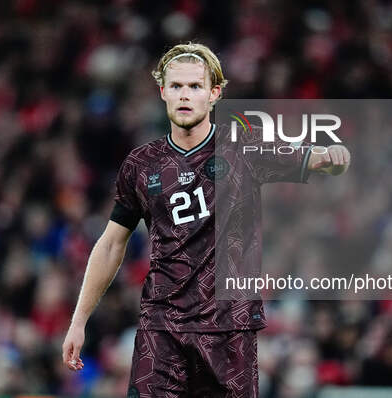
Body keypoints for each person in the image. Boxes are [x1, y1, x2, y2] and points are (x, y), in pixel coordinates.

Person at [61, 42, 351, 397]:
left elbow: (314, 156)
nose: (185, 95)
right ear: (163, 91)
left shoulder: (244, 147)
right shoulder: (141, 165)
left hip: (229, 329)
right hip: (162, 328)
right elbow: (110, 244)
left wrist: (333, 157)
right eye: (177, 86)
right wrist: (78, 322)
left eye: (195, 86)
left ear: (214, 94)